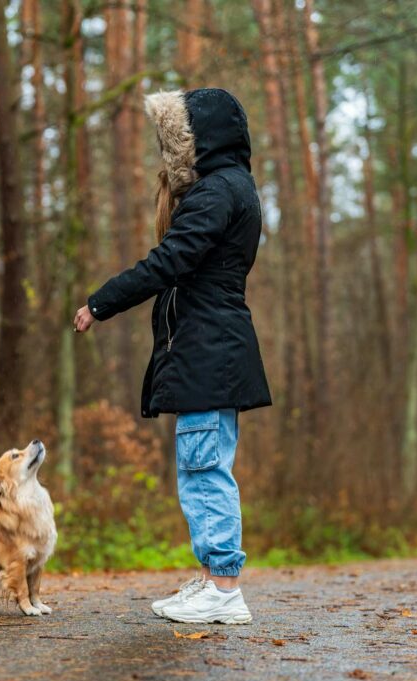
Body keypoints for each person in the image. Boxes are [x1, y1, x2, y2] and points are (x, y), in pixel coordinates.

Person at [73, 88, 271, 624]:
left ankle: (224, 586)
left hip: (209, 353)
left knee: (204, 468)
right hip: (212, 350)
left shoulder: (217, 193)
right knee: (203, 465)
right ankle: (214, 578)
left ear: (197, 139)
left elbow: (170, 260)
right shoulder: (237, 189)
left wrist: (101, 301)